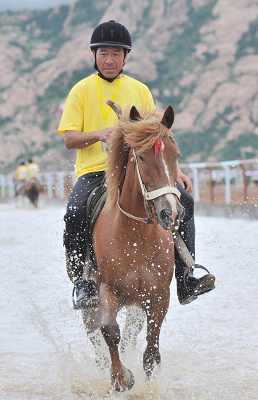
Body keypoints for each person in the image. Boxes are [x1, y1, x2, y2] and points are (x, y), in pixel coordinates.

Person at [58, 20, 215, 309]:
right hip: (94, 173)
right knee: (74, 212)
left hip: (139, 171)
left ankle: (186, 275)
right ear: (94, 55)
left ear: (125, 57)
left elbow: (158, 138)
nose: (109, 59)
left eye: (116, 54)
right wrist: (98, 134)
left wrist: (175, 172)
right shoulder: (80, 91)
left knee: (186, 203)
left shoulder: (140, 90)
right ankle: (83, 281)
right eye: (103, 53)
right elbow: (69, 139)